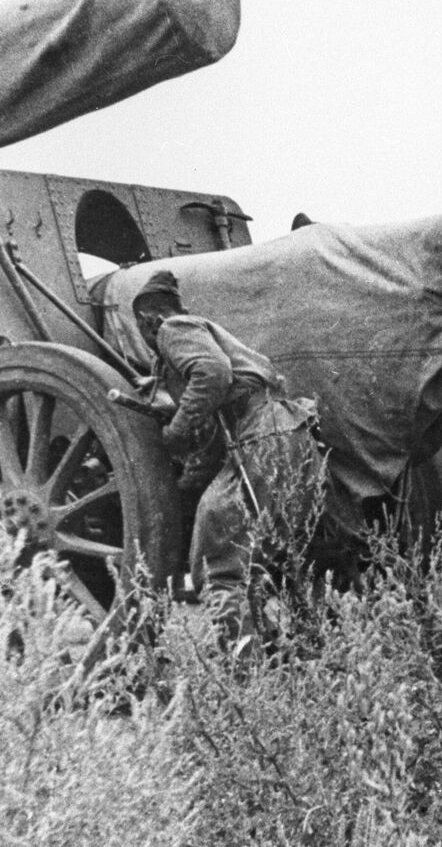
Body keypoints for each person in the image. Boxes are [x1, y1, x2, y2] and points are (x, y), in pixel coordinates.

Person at [131, 271, 329, 654]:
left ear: (149, 320)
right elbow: (215, 425)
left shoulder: (173, 328)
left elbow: (212, 373)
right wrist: (187, 483)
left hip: (264, 437)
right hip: (291, 434)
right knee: (278, 558)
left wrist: (175, 430)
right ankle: (300, 652)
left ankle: (246, 671)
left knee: (216, 563)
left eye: (141, 330)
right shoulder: (206, 335)